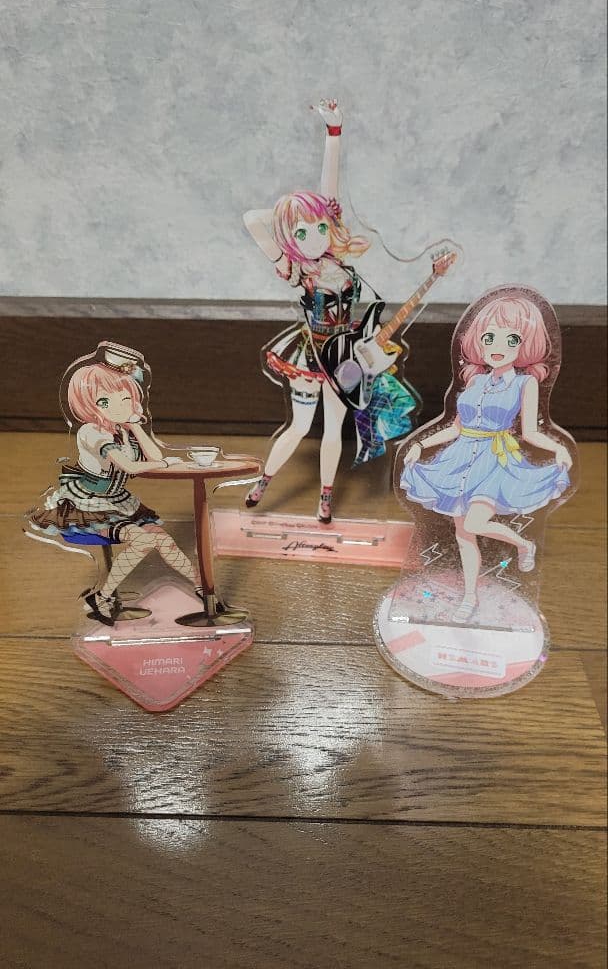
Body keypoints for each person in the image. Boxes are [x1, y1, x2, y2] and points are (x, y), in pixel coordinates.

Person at [243, 98, 416, 522]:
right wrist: (289, 214)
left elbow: (330, 191)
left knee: (335, 426)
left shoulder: (339, 263)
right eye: (303, 232)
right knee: (301, 425)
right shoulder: (294, 269)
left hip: (346, 354)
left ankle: (325, 496)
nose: (316, 236)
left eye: (321, 226)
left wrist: (333, 132)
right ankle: (263, 481)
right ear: (290, 237)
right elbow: (251, 219)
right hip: (312, 353)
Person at [399, 290, 573, 622]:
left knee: (476, 523)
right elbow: (455, 428)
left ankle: (523, 545)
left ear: (525, 345)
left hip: (495, 461)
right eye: (489, 337)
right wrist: (421, 445)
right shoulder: (475, 381)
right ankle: (469, 597)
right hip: (460, 458)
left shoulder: (524, 384)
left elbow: (531, 432)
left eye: (511, 339)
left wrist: (558, 448)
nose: (497, 346)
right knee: (464, 534)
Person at [28, 346, 202, 626]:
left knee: (163, 539)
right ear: (89, 405)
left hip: (118, 500)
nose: (120, 406)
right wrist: (162, 464)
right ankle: (102, 598)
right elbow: (129, 466)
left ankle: (203, 589)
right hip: (89, 503)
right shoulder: (91, 432)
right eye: (105, 401)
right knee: (143, 541)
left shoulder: (123, 431)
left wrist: (135, 426)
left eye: (126, 398)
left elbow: (153, 455)